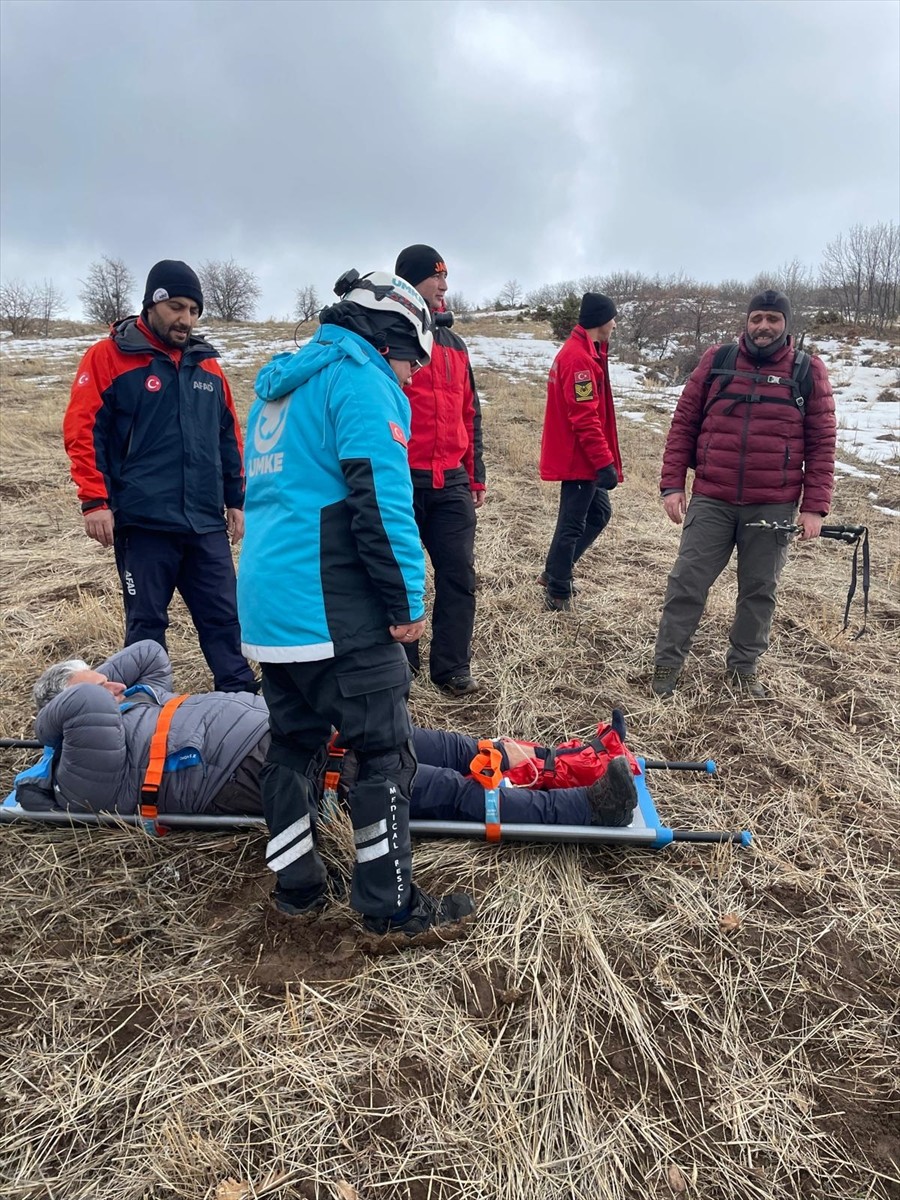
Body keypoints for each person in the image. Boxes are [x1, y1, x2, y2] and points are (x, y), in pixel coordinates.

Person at [236, 269, 475, 950]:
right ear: (391, 331)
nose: (409, 378)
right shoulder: (361, 380)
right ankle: (388, 906)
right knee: (384, 754)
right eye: (411, 362)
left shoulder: (280, 389)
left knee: (293, 745)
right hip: (332, 604)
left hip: (269, 607)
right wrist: (406, 603)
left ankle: (296, 886)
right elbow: (380, 501)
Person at [22, 642, 639, 832]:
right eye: (90, 684)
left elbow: (151, 653)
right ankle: (587, 808)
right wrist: (74, 691)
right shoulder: (80, 768)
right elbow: (82, 702)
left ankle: (574, 762)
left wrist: (99, 676)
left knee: (441, 744)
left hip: (290, 730)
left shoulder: (122, 702)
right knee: (443, 787)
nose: (107, 685)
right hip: (262, 766)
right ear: (61, 712)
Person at [63, 259, 256, 694]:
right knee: (147, 624)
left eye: (193, 310)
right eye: (177, 308)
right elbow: (81, 429)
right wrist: (95, 502)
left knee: (225, 617)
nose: (185, 319)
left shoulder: (207, 366)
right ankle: (149, 710)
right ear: (153, 304)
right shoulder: (108, 356)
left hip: (204, 521)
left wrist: (236, 500)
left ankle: (242, 700)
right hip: (143, 521)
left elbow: (229, 436)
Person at [652, 290, 836, 699]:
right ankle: (667, 664)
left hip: (772, 503)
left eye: (773, 318)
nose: (764, 327)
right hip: (712, 498)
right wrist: (672, 483)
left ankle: (743, 668)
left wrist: (814, 508)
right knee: (687, 583)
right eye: (757, 318)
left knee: (758, 591)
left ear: (786, 323)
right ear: (747, 322)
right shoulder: (717, 362)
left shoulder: (808, 371)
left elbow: (822, 442)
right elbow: (684, 423)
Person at [394, 244, 486, 696]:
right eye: (437, 277)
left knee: (458, 575)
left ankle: (451, 668)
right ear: (410, 281)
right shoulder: (389, 338)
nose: (445, 286)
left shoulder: (454, 344)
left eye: (446, 277)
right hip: (401, 478)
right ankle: (401, 669)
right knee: (398, 577)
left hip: (450, 479)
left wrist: (476, 473)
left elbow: (470, 412)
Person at [539, 293, 623, 611]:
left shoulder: (586, 353)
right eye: (612, 318)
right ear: (601, 320)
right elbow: (584, 416)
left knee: (599, 514)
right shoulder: (579, 361)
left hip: (583, 458)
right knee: (571, 525)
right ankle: (558, 590)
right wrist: (604, 462)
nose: (614, 324)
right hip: (580, 459)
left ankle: (553, 571)